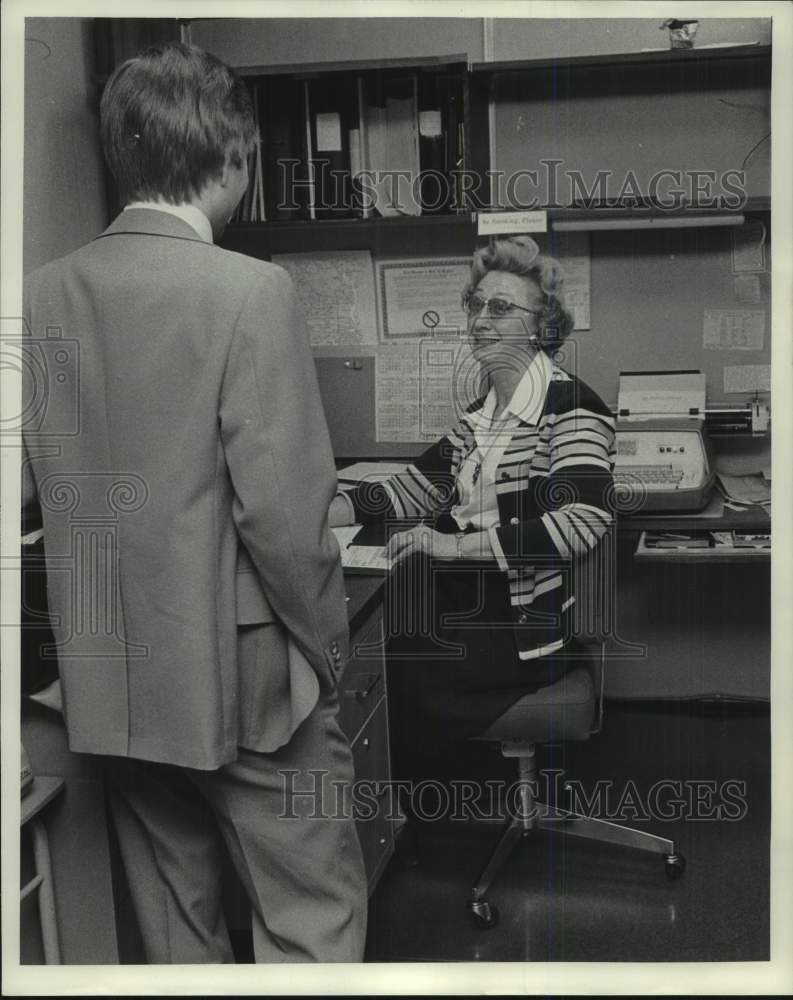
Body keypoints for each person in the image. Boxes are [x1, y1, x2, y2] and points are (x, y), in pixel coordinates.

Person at [21, 43, 366, 963]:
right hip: (247, 680)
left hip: (112, 683)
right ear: (232, 160)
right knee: (310, 920)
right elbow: (285, 519)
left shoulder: (39, 297)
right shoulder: (250, 290)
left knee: (176, 936)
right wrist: (328, 651)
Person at [329, 234, 616, 780]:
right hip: (466, 596)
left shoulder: (572, 407)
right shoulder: (484, 413)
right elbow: (411, 488)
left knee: (389, 664)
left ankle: (403, 819)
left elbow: (582, 522)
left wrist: (450, 544)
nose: (481, 320)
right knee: (363, 642)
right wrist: (328, 510)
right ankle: (385, 812)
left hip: (521, 622)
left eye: (501, 308)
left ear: (541, 326)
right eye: (476, 305)